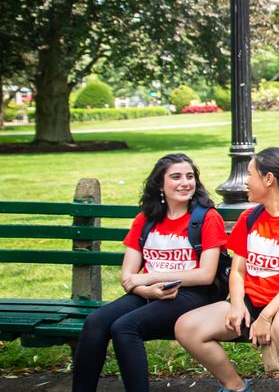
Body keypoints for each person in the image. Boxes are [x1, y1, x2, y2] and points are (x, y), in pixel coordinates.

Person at [175, 147, 279, 392]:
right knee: (186, 327)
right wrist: (236, 304)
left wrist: (267, 316)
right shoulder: (250, 218)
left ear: (268, 179)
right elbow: (237, 271)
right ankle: (235, 386)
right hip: (250, 303)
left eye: (250, 174)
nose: (245, 181)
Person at [73, 154, 228, 392]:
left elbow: (206, 274)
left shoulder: (207, 218)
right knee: (95, 322)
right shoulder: (145, 220)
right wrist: (148, 290)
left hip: (192, 294)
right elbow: (128, 276)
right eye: (175, 177)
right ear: (159, 184)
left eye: (190, 176)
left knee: (125, 327)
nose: (185, 183)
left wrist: (152, 277)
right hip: (149, 292)